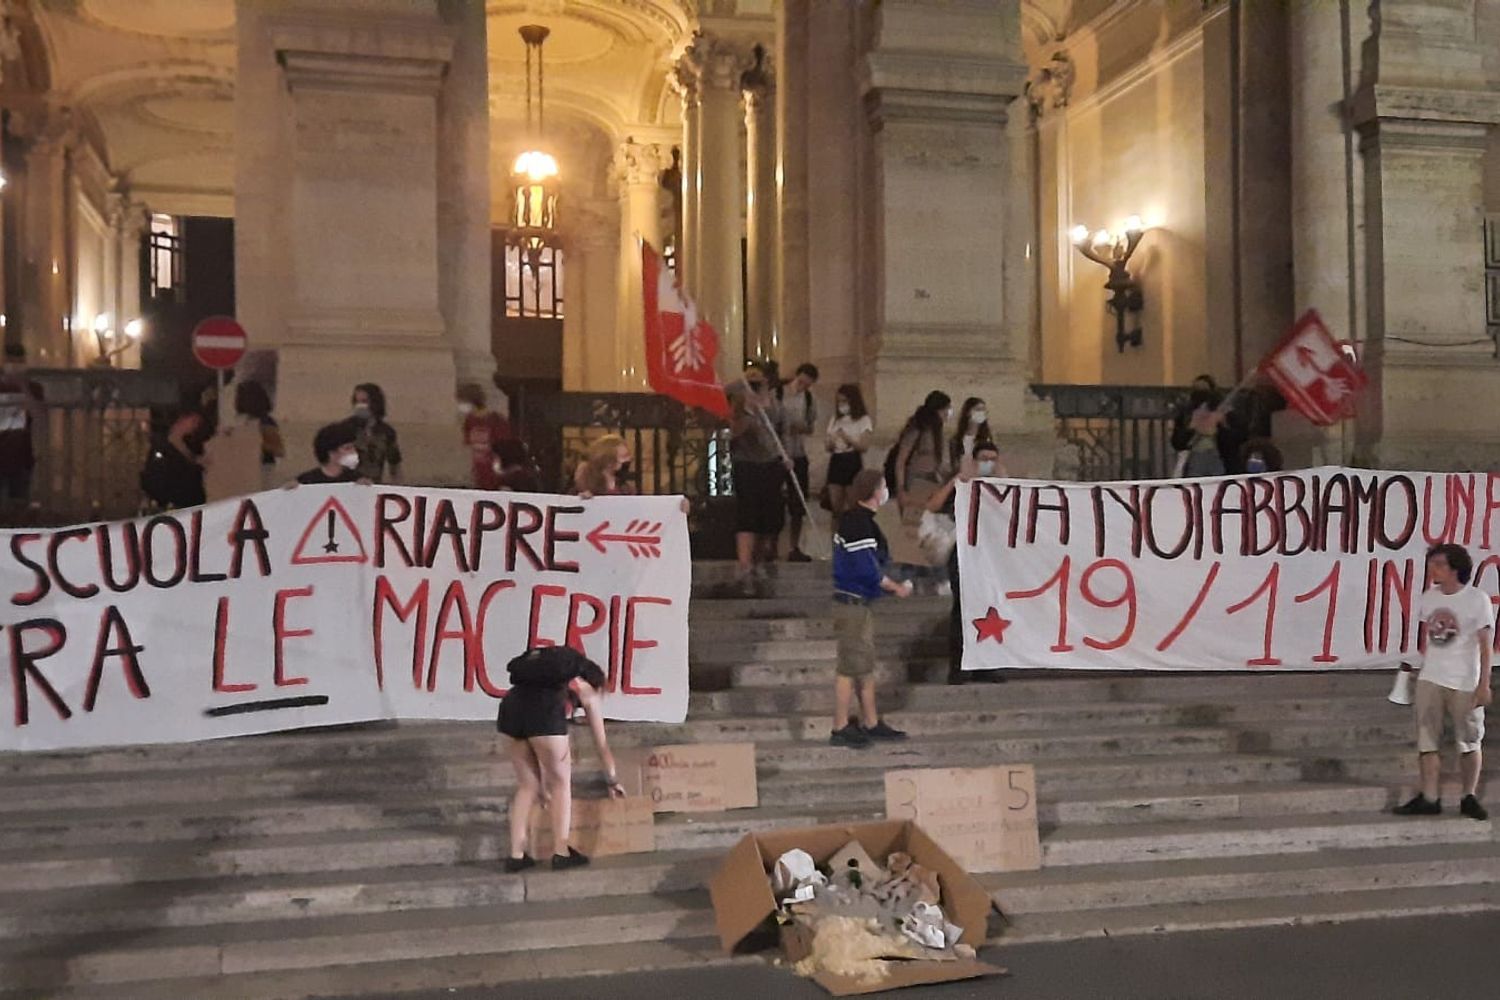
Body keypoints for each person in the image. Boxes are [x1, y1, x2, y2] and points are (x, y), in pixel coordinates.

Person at [497, 646, 625, 872]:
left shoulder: (541, 678)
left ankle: (516, 855)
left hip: (510, 709)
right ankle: (561, 851)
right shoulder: (586, 690)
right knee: (561, 784)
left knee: (527, 786)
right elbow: (601, 744)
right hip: (545, 716)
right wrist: (612, 780)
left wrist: (542, 786)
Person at [1393, 544, 1493, 820]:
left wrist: (1484, 683)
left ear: (1455, 568)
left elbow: (1485, 645)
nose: (1433, 570)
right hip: (1431, 677)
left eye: (1439, 564)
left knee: (1469, 740)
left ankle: (1468, 796)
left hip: (1464, 681)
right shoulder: (1429, 598)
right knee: (1427, 740)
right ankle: (1429, 797)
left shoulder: (1477, 599)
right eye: (1432, 564)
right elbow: (1429, 638)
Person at [830, 468, 914, 748]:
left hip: (859, 603)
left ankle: (871, 721)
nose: (885, 491)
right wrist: (895, 587)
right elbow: (866, 567)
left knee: (863, 666)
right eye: (883, 486)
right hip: (851, 604)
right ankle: (840, 726)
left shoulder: (861, 520)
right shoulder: (857, 522)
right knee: (849, 667)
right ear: (874, 491)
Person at [927, 441, 1008, 685]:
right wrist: (957, 479)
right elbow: (933, 505)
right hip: (964, 552)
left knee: (990, 610)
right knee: (962, 609)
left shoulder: (1000, 488)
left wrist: (1004, 478)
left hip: (990, 555)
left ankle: (986, 666)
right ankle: (959, 666)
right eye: (984, 458)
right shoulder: (962, 485)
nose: (988, 464)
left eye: (993, 459)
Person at [730, 363, 788, 596]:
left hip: (771, 463)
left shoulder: (775, 405)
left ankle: (759, 561)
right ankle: (744, 565)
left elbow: (782, 432)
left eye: (759, 382)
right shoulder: (740, 406)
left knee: (769, 517)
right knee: (748, 515)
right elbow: (735, 432)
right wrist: (749, 408)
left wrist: (786, 456)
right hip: (747, 464)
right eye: (752, 383)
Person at [886, 391, 952, 585]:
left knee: (928, 528)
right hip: (915, 482)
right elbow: (901, 460)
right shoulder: (917, 430)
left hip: (931, 483)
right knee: (912, 530)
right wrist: (901, 488)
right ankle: (905, 573)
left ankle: (925, 571)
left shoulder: (937, 432)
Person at [205, 380, 282, 501]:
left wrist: (253, 440)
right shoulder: (239, 421)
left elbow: (279, 450)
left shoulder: (265, 422)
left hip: (262, 468)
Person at [778, 363, 820, 562]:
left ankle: (794, 546)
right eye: (801, 382)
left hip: (798, 452)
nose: (802, 387)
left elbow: (811, 427)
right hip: (778, 452)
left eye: (807, 385)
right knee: (775, 500)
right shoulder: (778, 393)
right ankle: (771, 545)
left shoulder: (809, 399)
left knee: (798, 502)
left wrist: (802, 427)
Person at [1170, 375, 1245, 477]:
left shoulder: (1226, 412)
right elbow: (1177, 443)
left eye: (1204, 389)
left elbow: (1238, 439)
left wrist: (1222, 424)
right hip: (1194, 461)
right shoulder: (1186, 414)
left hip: (1221, 463)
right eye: (1197, 389)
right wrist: (1191, 428)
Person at [0, 344, 43, 519]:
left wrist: (23, 387)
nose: (15, 367)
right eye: (11, 362)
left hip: (22, 455)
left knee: (18, 509)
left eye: (19, 362)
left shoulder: (33, 388)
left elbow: (38, 414)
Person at [141, 410, 207, 510]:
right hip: (172, 502)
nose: (195, 426)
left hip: (189, 502)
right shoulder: (162, 447)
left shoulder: (193, 443)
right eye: (193, 421)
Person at [825, 383, 873, 516]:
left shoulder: (863, 420)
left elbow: (864, 446)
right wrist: (831, 442)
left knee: (853, 505)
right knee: (836, 506)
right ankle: (836, 528)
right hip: (837, 460)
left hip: (852, 460)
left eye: (844, 401)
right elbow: (827, 445)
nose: (841, 404)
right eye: (839, 401)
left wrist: (847, 438)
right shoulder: (835, 419)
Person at [458, 382, 513, 490]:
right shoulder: (469, 421)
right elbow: (468, 446)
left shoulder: (496, 420)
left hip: (496, 475)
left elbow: (506, 449)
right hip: (478, 474)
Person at [349, 383, 402, 484]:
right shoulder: (346, 428)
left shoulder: (387, 432)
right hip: (349, 486)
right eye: (356, 401)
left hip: (375, 485)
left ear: (375, 403)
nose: (360, 406)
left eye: (364, 401)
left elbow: (394, 465)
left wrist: (397, 488)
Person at [296, 421, 369, 485]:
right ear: (331, 453)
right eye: (347, 448)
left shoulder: (357, 479)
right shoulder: (307, 480)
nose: (353, 452)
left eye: (354, 447)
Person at [950, 397, 994, 470]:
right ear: (968, 412)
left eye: (983, 410)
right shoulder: (956, 440)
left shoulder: (987, 439)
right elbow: (954, 464)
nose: (981, 413)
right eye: (978, 410)